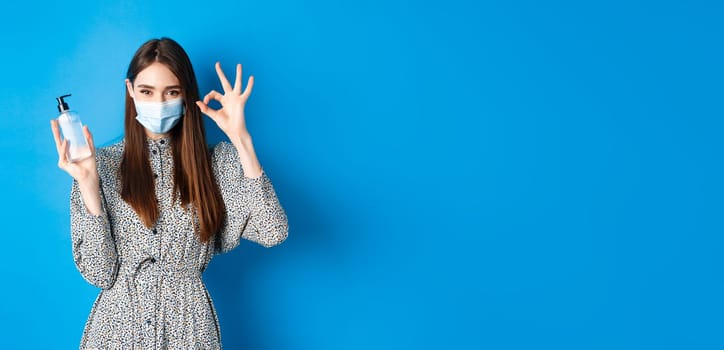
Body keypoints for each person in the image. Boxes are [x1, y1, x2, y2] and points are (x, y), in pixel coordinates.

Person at [50, 37, 289, 349]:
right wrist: (88, 186)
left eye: (171, 92)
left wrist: (241, 138)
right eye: (147, 91)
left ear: (186, 95)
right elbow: (100, 274)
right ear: (130, 91)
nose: (158, 102)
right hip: (118, 331)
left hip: (189, 330)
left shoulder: (218, 163)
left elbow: (274, 231)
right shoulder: (101, 165)